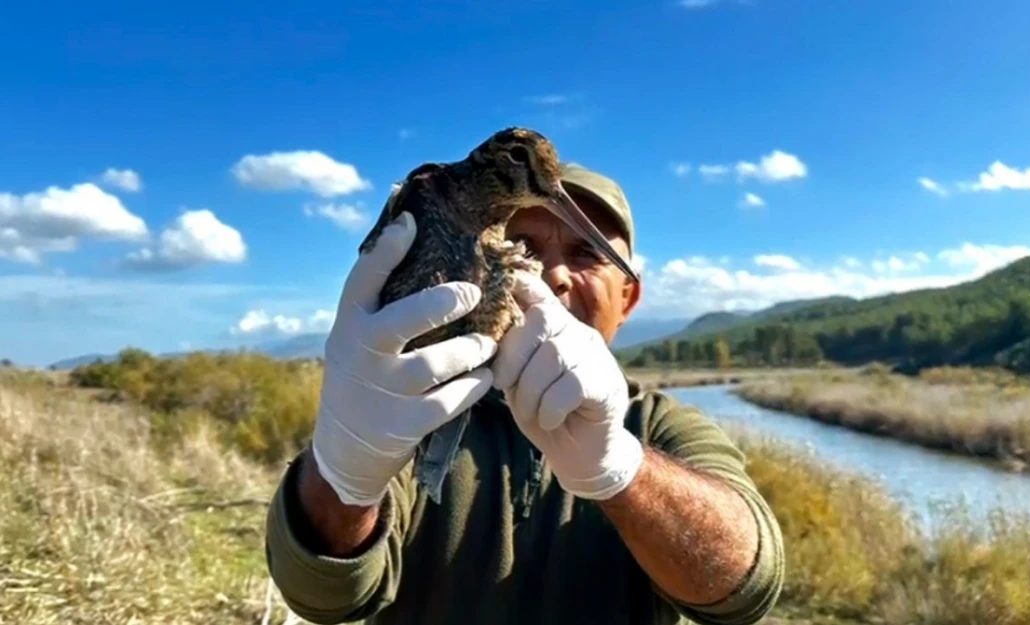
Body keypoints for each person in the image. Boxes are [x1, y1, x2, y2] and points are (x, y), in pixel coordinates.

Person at [264, 161, 785, 625]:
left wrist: (621, 468)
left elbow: (746, 589)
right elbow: (323, 597)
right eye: (526, 247)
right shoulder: (415, 405)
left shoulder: (658, 424)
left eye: (586, 252)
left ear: (628, 299)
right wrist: (343, 475)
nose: (554, 275)